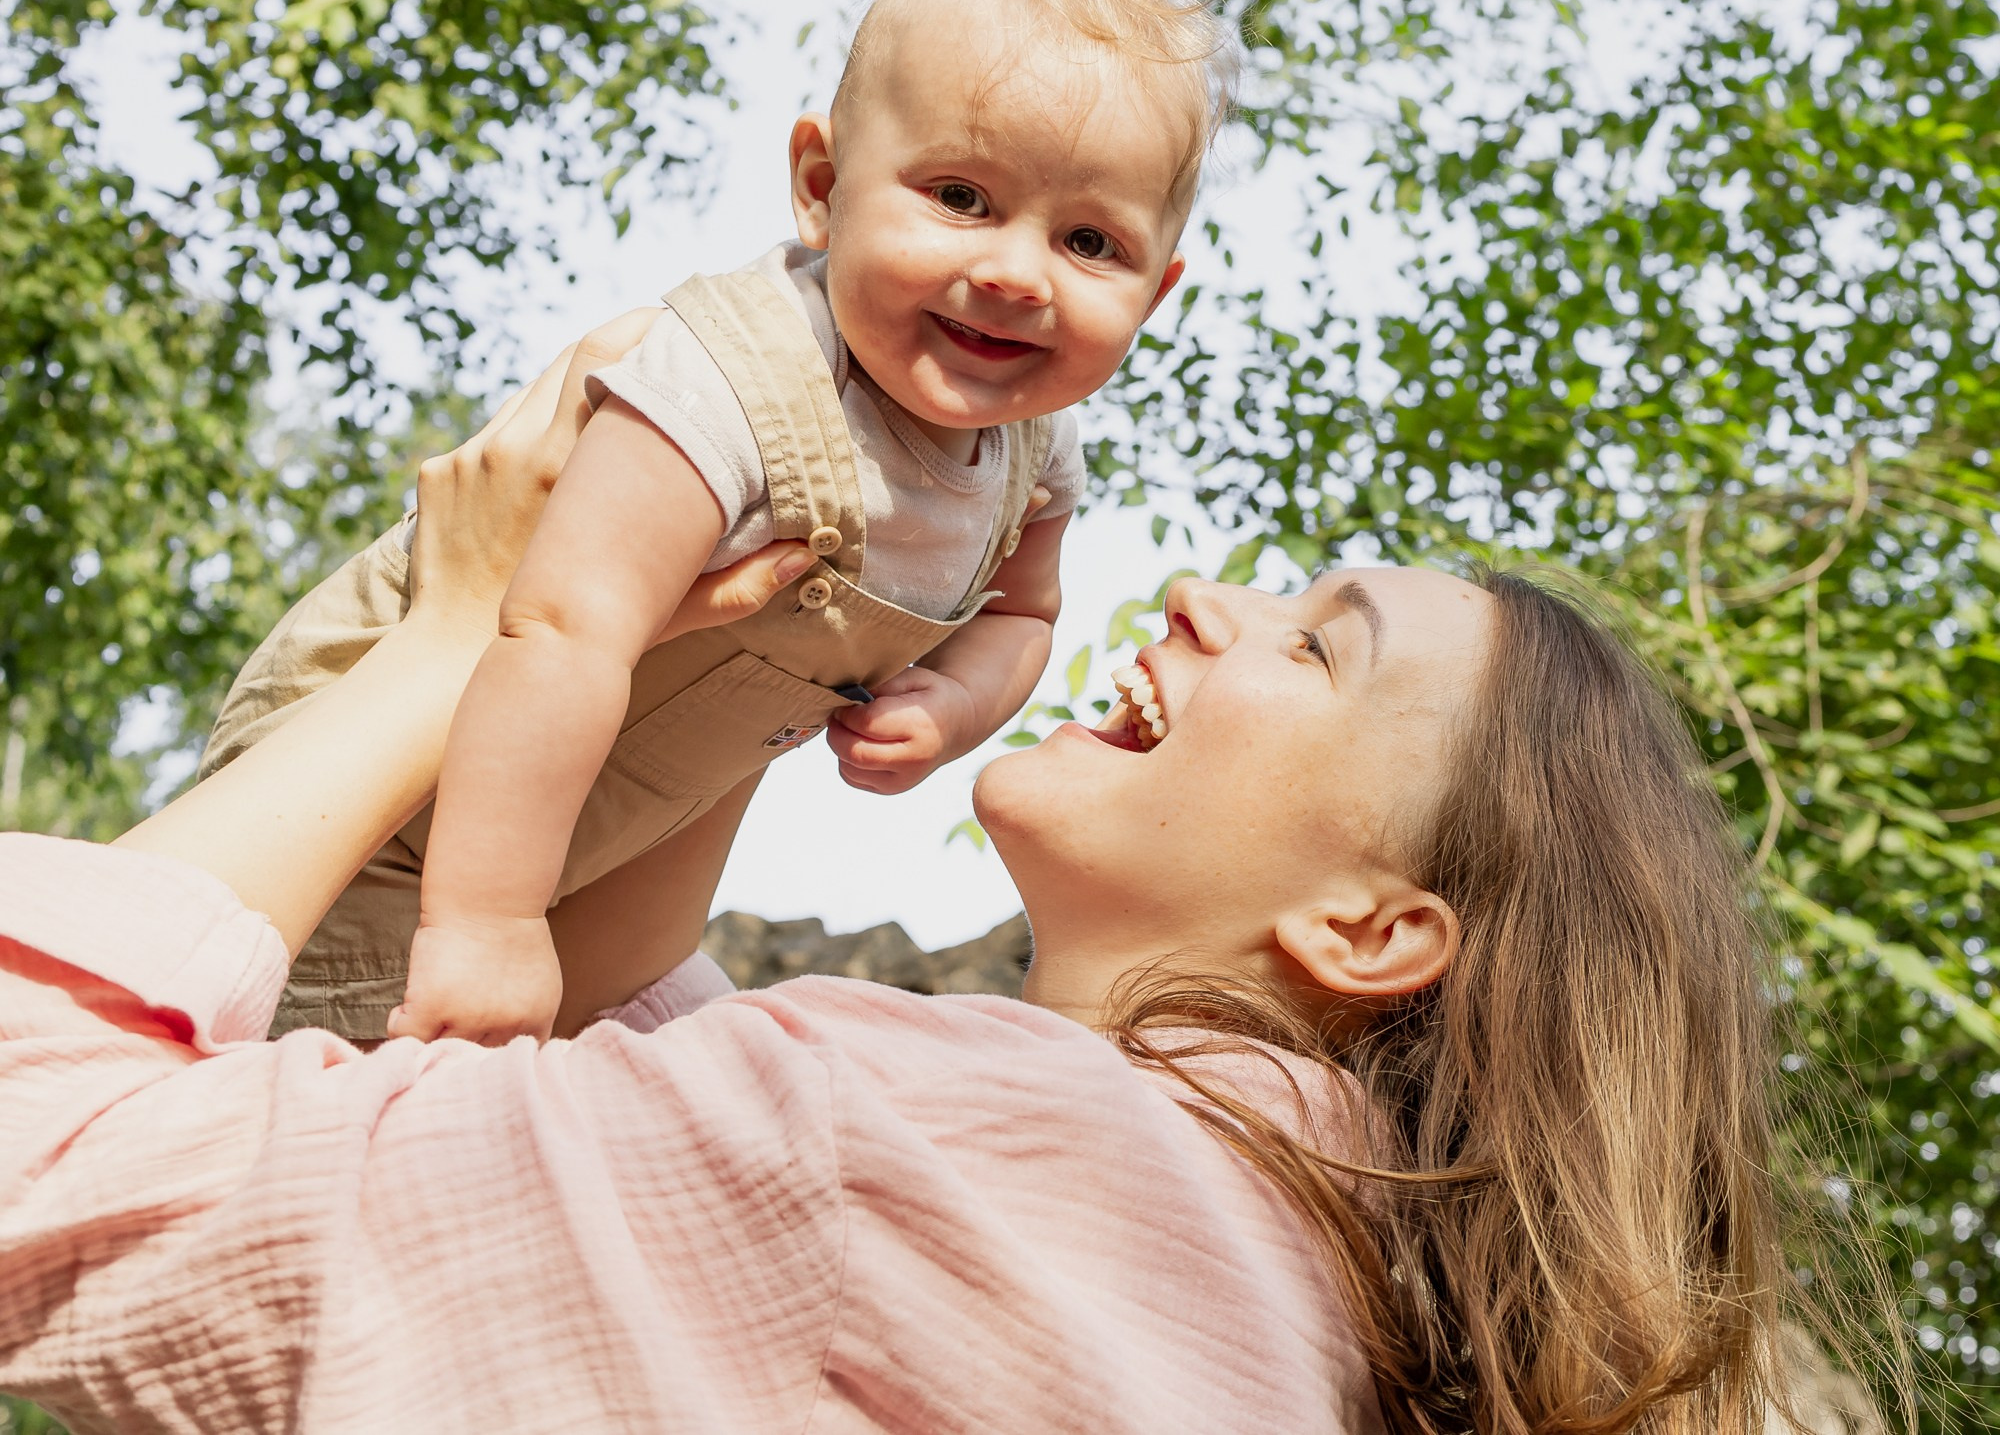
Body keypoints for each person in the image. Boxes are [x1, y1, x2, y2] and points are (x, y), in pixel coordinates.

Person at [0, 326, 1822, 1435]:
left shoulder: (966, 1147)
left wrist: (456, 636)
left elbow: (39, 1151)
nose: (1207, 596)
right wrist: (785, 646)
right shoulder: (1265, 1293)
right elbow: (603, 1006)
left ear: (1369, 929)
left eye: (1315, 646)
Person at [196, 0, 1234, 1046]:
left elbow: (1024, 614)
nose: (1014, 273)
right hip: (408, 805)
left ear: (1156, 287)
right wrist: (484, 919)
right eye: (960, 198)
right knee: (291, 1034)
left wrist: (954, 704)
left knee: (564, 1066)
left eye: (1087, 241)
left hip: (616, 849)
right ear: (822, 188)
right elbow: (561, 630)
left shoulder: (1035, 456)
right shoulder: (735, 382)